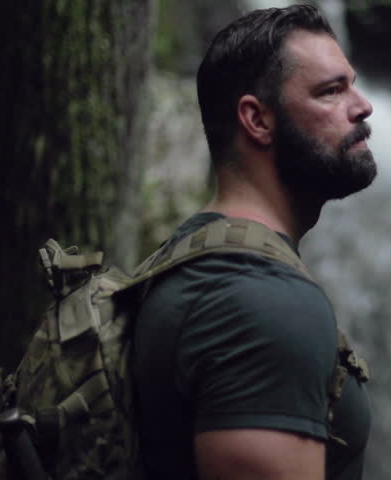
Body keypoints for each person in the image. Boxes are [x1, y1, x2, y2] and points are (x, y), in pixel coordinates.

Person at [132, 5, 376, 480]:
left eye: (352, 82)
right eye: (331, 91)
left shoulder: (189, 258)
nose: (363, 105)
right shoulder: (262, 303)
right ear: (257, 120)